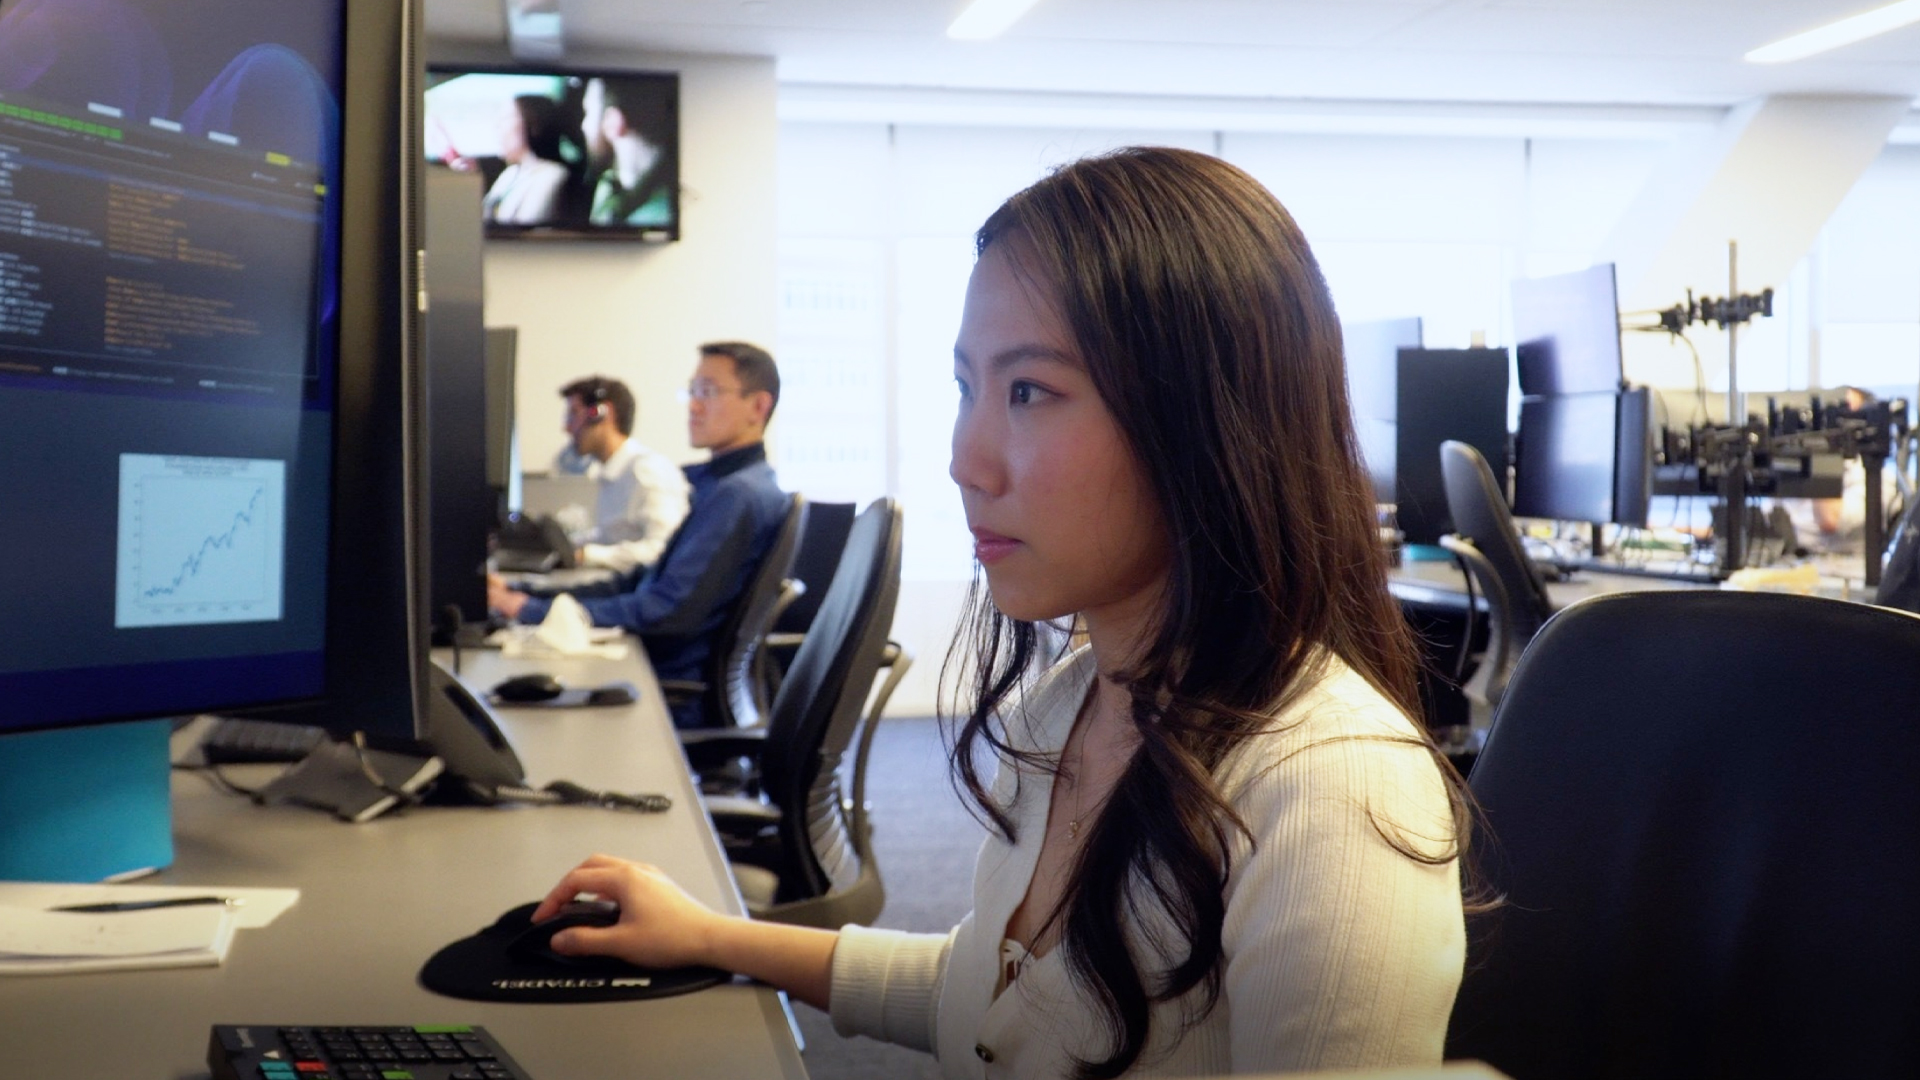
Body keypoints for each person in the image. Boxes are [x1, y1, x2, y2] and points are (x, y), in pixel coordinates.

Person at [528, 148, 1471, 1076]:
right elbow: (992, 995)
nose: (966, 460)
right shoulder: (1069, 703)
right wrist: (712, 936)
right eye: (966, 388)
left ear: (1206, 421)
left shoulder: (1333, 793)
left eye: (1029, 391)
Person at [489, 343, 788, 729]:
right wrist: (529, 595)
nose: (694, 406)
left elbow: (665, 610)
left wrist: (528, 611)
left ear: (758, 406)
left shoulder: (736, 496)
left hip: (669, 692)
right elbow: (640, 580)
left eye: (709, 392)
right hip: (664, 677)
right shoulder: (724, 486)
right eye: (693, 391)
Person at [553, 375, 689, 574]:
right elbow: (612, 537)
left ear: (600, 413)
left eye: (573, 414)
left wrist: (587, 555)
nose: (566, 427)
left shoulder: (646, 471)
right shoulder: (611, 474)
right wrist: (567, 545)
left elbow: (663, 550)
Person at [579, 76, 674, 227]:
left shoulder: (659, 213)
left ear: (614, 121)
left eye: (588, 112)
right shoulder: (610, 185)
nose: (584, 126)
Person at [482, 94, 569, 225]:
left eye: (506, 118)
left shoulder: (552, 175)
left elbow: (526, 232)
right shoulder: (510, 173)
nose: (498, 126)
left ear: (532, 122)